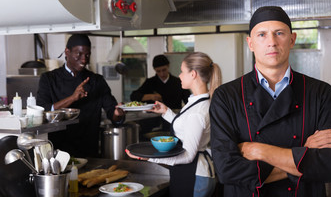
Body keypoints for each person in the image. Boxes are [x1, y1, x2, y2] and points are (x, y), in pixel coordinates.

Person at [209, 6, 331, 197]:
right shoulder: (226, 96)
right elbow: (227, 170)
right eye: (262, 35)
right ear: (250, 43)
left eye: (279, 33)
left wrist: (260, 150)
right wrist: (304, 155)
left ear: (292, 39)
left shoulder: (321, 93)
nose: (272, 42)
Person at [126, 52, 222, 197]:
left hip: (194, 174)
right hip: (191, 172)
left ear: (193, 74)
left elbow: (188, 156)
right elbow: (187, 126)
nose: (180, 75)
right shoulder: (199, 102)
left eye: (183, 71)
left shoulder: (198, 111)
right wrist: (166, 112)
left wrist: (149, 158)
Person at [37, 34, 125, 158]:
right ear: (67, 52)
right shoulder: (49, 79)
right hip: (57, 152)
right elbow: (43, 110)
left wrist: (118, 114)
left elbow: (112, 112)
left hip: (89, 149)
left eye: (87, 55)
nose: (84, 60)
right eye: (78, 54)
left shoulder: (97, 81)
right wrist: (72, 98)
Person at [130, 54, 191, 130]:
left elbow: (189, 102)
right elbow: (133, 96)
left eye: (164, 70)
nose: (162, 74)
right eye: (158, 71)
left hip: (173, 121)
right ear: (154, 69)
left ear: (168, 66)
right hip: (152, 123)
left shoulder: (178, 82)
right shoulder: (150, 82)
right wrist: (150, 96)